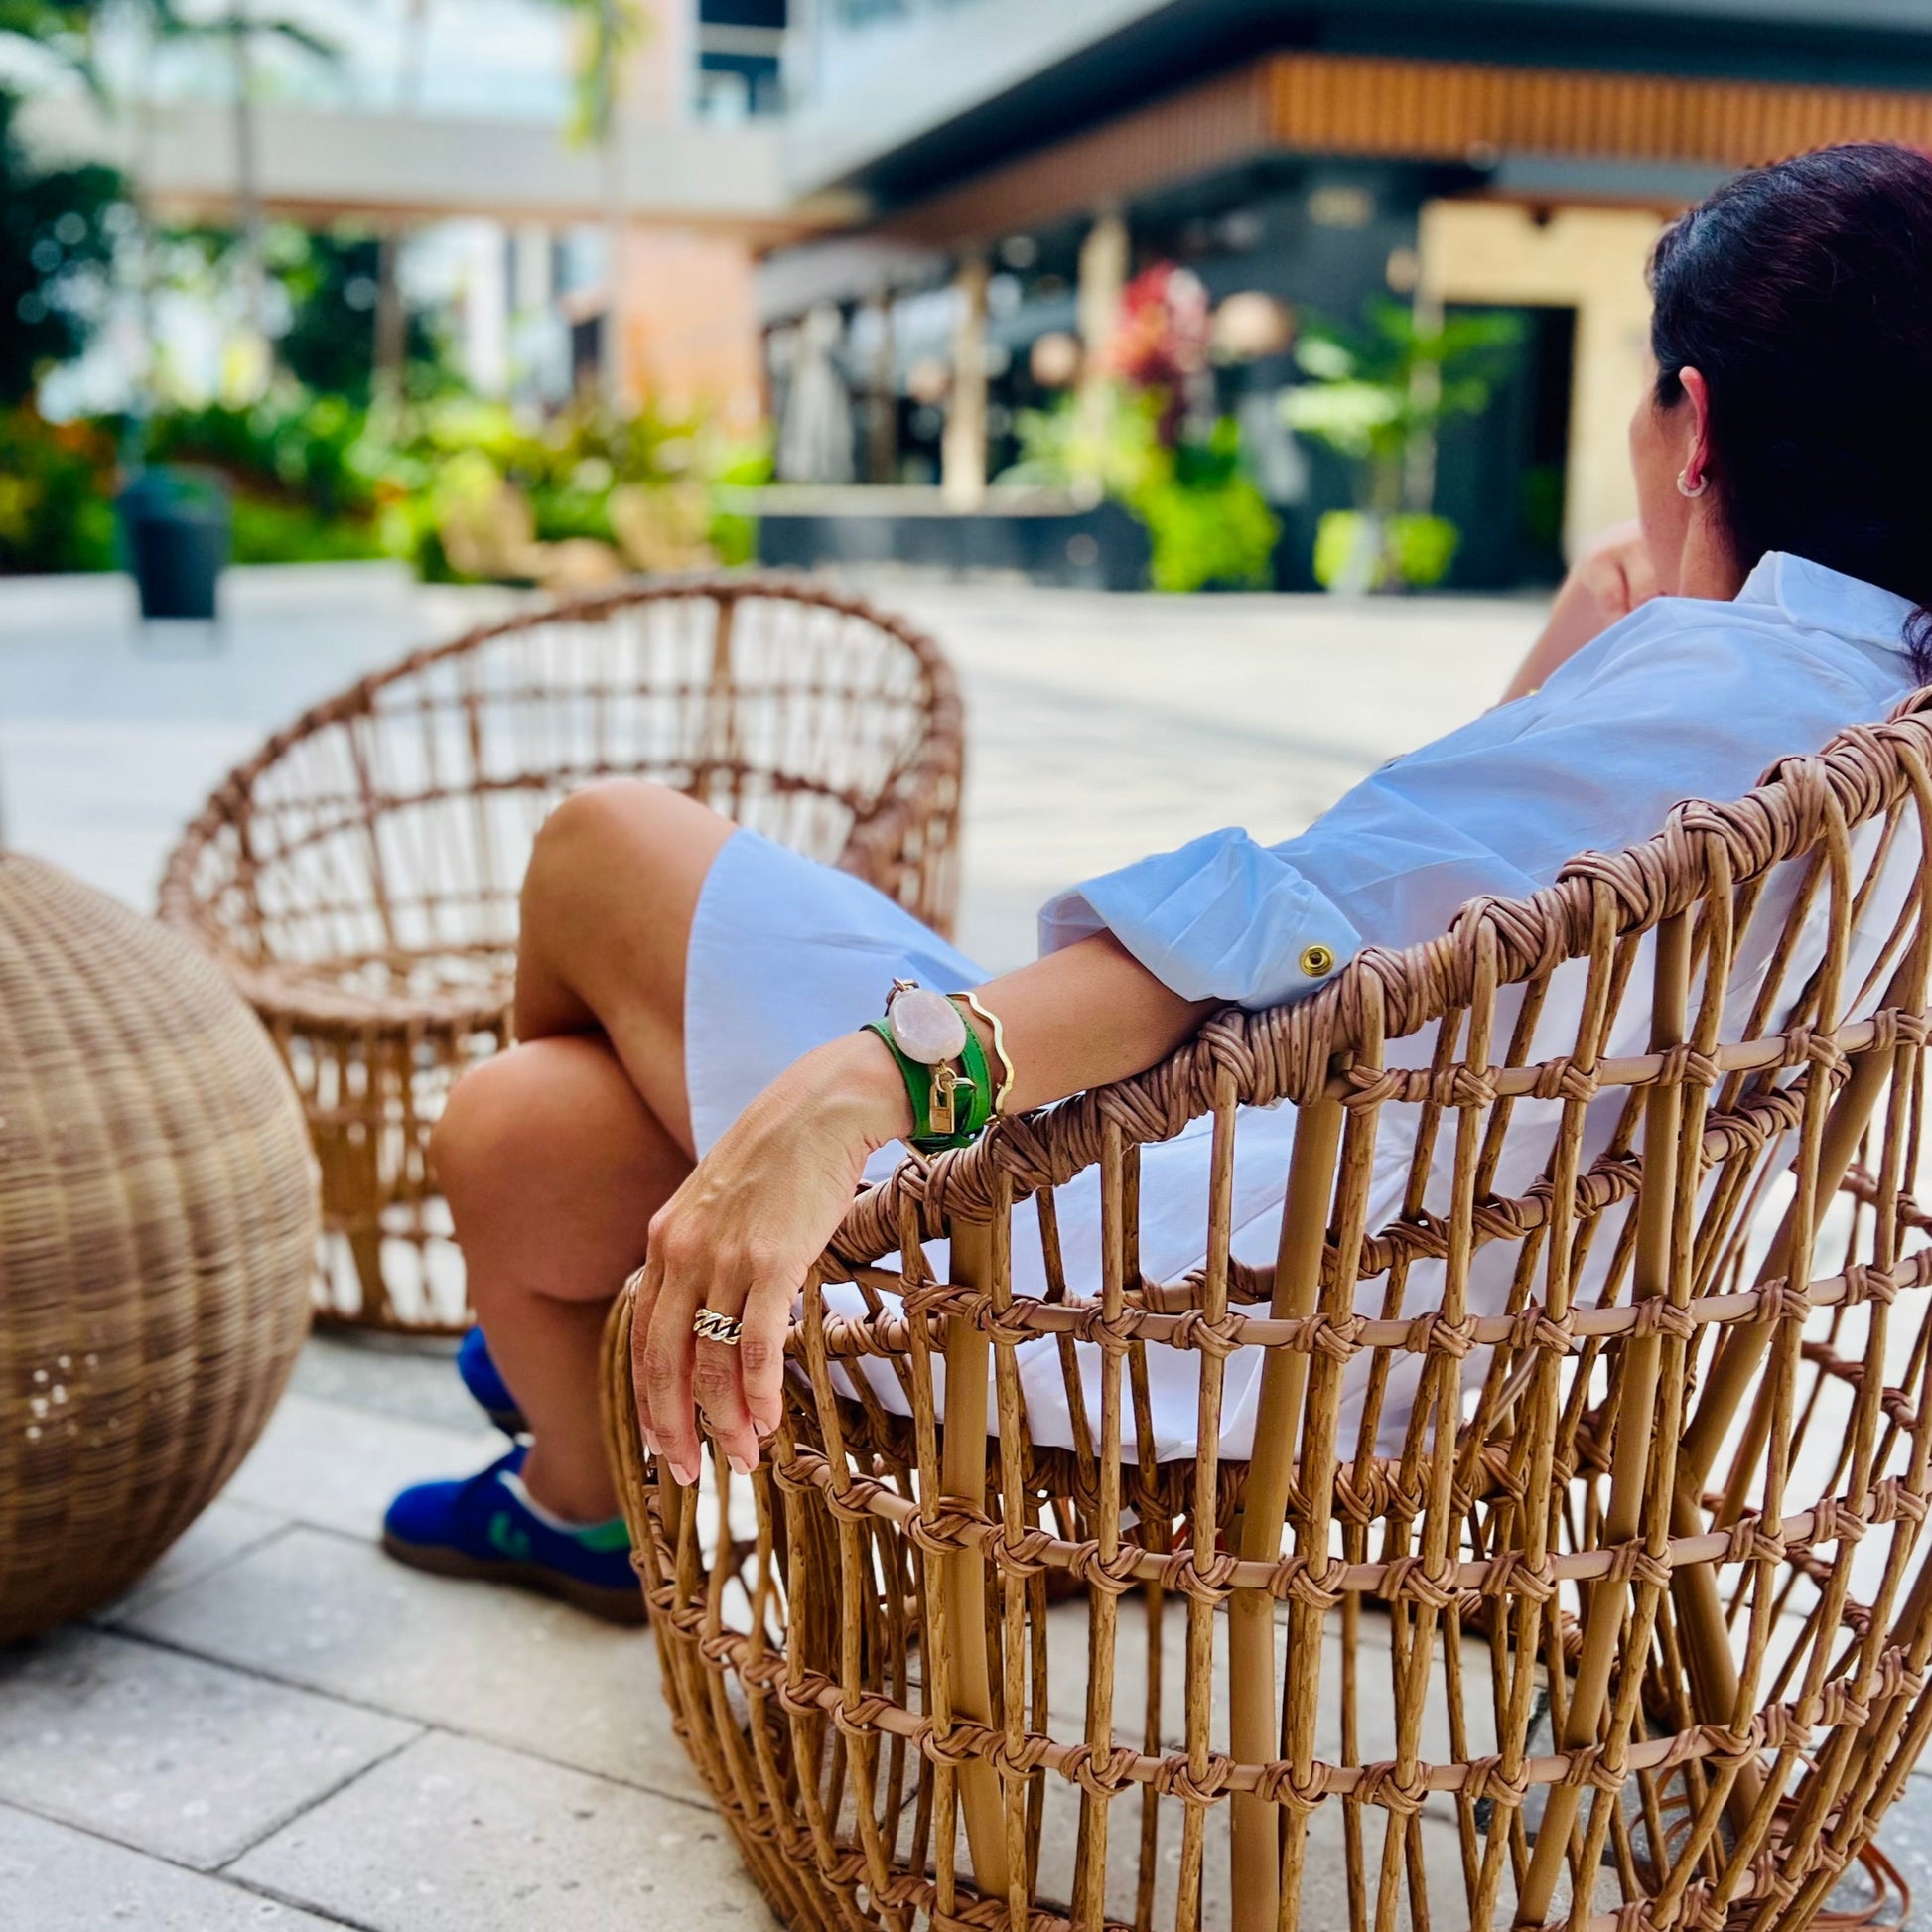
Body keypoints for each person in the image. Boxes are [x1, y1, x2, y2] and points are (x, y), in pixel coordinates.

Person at [384, 143, 1932, 1622]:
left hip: (1149, 1279)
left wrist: (860, 1088)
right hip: (1401, 1288)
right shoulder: (1856, 708)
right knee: (520, 1123)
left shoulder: (1714, 686)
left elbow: (1268, 935)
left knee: (601, 838)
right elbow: (1468, 925)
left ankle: (565, 1403)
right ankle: (579, 1481)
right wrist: (1603, 630)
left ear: (1697, 422)